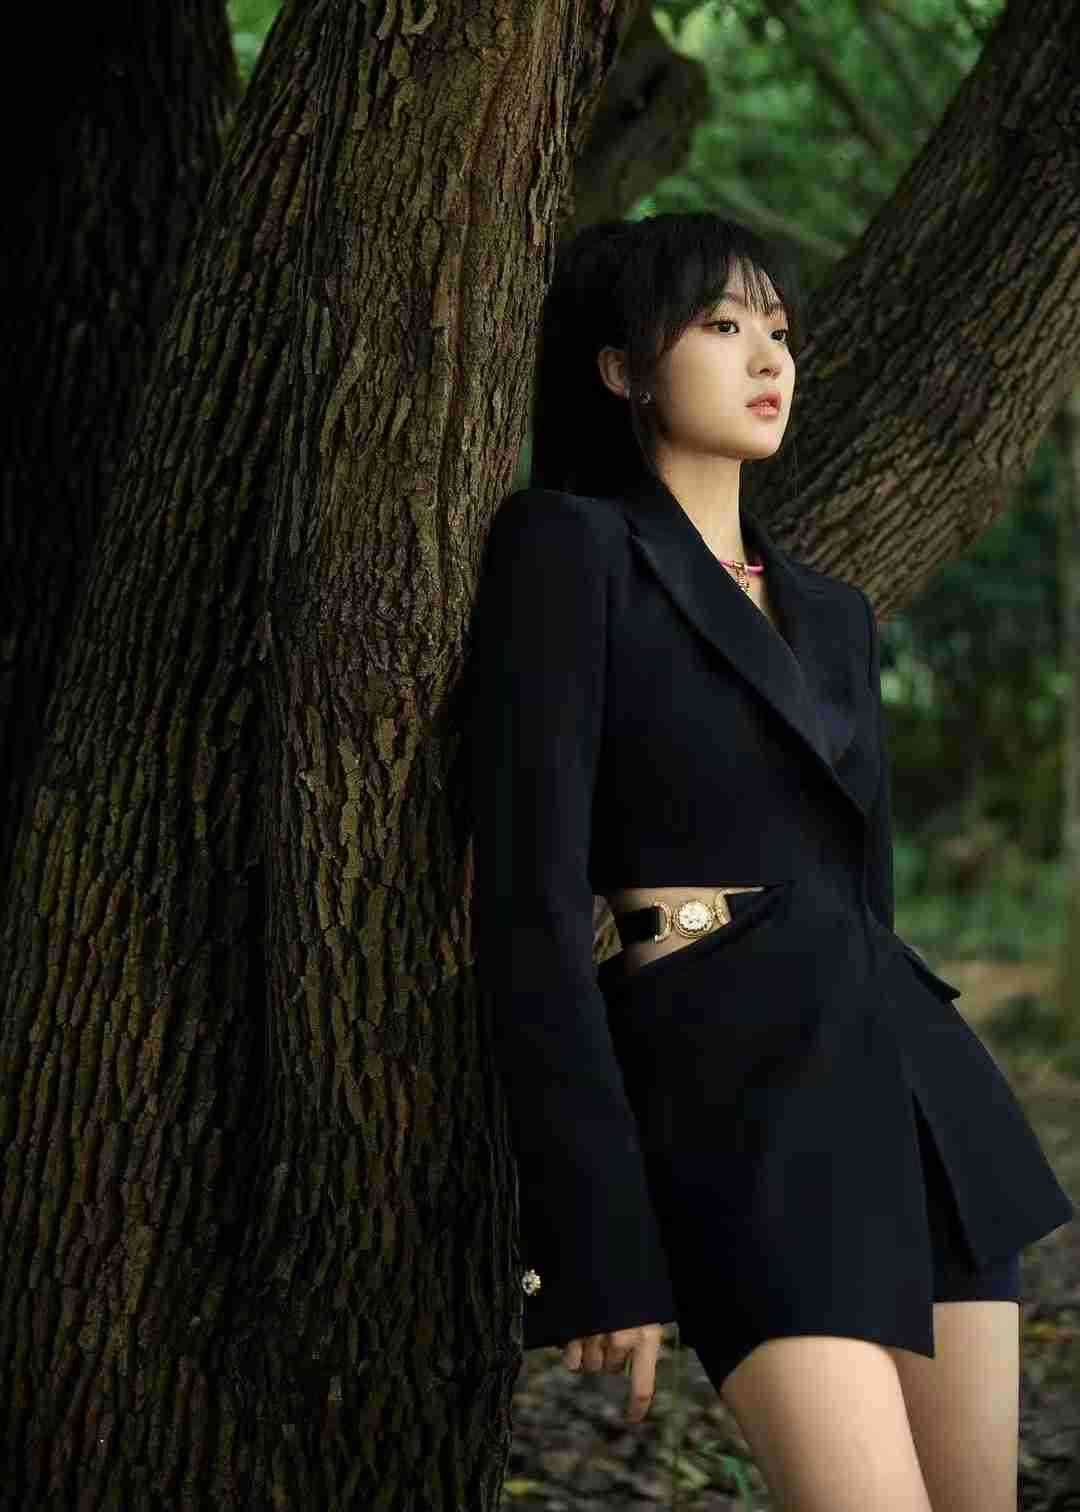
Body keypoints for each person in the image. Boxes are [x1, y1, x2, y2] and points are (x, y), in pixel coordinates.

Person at [466, 211, 1075, 1511]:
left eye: (779, 330)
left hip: (911, 1084)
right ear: (622, 368)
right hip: (729, 1093)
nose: (768, 359)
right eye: (721, 324)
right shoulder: (568, 551)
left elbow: (866, 889)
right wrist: (594, 1234)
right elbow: (528, 913)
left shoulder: (833, 615)